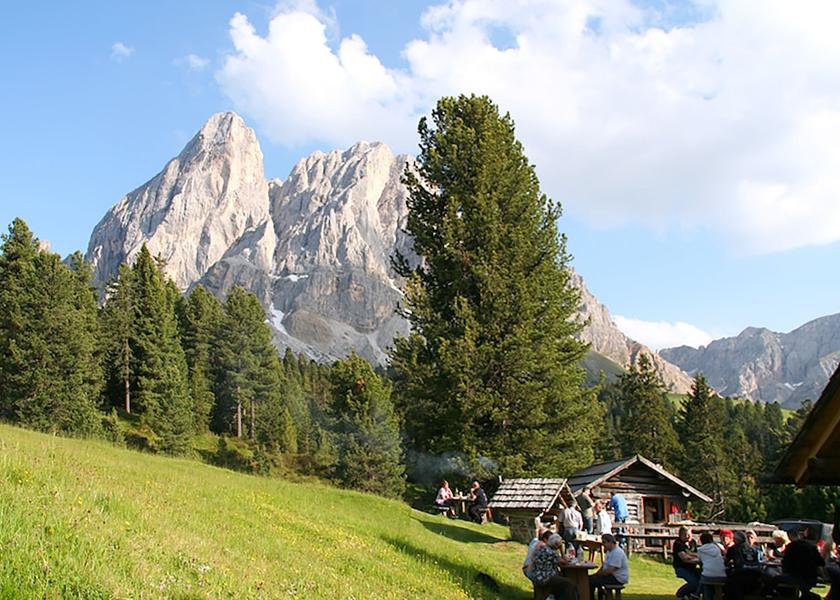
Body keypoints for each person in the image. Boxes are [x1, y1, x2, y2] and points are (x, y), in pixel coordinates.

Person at [768, 529, 825, 600]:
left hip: (796, 577)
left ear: (790, 536)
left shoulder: (791, 546)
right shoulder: (812, 547)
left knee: (773, 578)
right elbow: (821, 562)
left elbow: (786, 564)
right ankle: (807, 595)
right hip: (811, 578)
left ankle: (769, 594)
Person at [531, 533, 577, 600]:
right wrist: (561, 550)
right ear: (556, 544)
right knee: (570, 583)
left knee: (561, 580)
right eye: (560, 544)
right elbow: (565, 562)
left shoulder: (542, 547)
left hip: (536, 575)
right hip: (545, 577)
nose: (561, 545)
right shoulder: (552, 553)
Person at [724, 531, 762, 599]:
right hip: (756, 575)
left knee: (729, 583)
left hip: (740, 576)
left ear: (736, 539)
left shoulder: (734, 548)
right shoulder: (754, 548)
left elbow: (726, 561)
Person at [696, 531, 727, 600]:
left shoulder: (700, 549)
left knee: (706, 584)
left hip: (708, 576)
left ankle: (698, 595)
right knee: (718, 590)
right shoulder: (718, 547)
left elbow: (700, 560)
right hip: (721, 574)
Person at [673, 526, 700, 600]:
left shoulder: (693, 542)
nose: (688, 536)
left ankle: (692, 595)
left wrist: (690, 555)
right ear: (680, 535)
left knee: (703, 579)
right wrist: (697, 560)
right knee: (694, 583)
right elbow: (684, 558)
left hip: (692, 568)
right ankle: (680, 594)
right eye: (685, 535)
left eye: (689, 534)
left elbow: (696, 554)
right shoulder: (678, 543)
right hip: (682, 568)